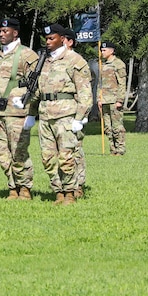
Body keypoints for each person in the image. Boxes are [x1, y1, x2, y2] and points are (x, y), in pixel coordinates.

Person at [18, 24, 92, 205]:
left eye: (52, 38)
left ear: (62, 39)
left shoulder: (75, 60)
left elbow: (85, 92)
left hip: (66, 116)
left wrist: (80, 118)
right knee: (48, 158)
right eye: (47, 39)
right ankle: (58, 191)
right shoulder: (44, 62)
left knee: (66, 157)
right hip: (45, 115)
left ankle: (70, 193)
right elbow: (38, 91)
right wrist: (28, 109)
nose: (48, 42)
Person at [0, 18, 39, 200]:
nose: (2, 34)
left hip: (18, 113)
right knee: (3, 154)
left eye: (6, 31)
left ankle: (25, 188)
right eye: (1, 31)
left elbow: (36, 85)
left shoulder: (27, 55)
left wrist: (31, 111)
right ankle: (12, 187)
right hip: (0, 112)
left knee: (19, 152)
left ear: (15, 33)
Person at [63, 29, 89, 198]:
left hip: (75, 111)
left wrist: (82, 115)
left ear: (70, 42)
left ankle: (79, 184)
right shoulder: (55, 61)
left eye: (62, 40)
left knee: (75, 149)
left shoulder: (77, 61)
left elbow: (84, 91)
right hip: (59, 113)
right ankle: (65, 184)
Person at [98, 41, 127, 156]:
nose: (102, 52)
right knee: (108, 127)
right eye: (101, 50)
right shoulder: (103, 65)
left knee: (117, 127)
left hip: (114, 100)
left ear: (112, 51)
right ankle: (112, 149)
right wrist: (98, 99)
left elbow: (122, 83)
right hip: (104, 100)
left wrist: (120, 100)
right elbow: (100, 84)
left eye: (104, 50)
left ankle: (120, 149)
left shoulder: (118, 64)